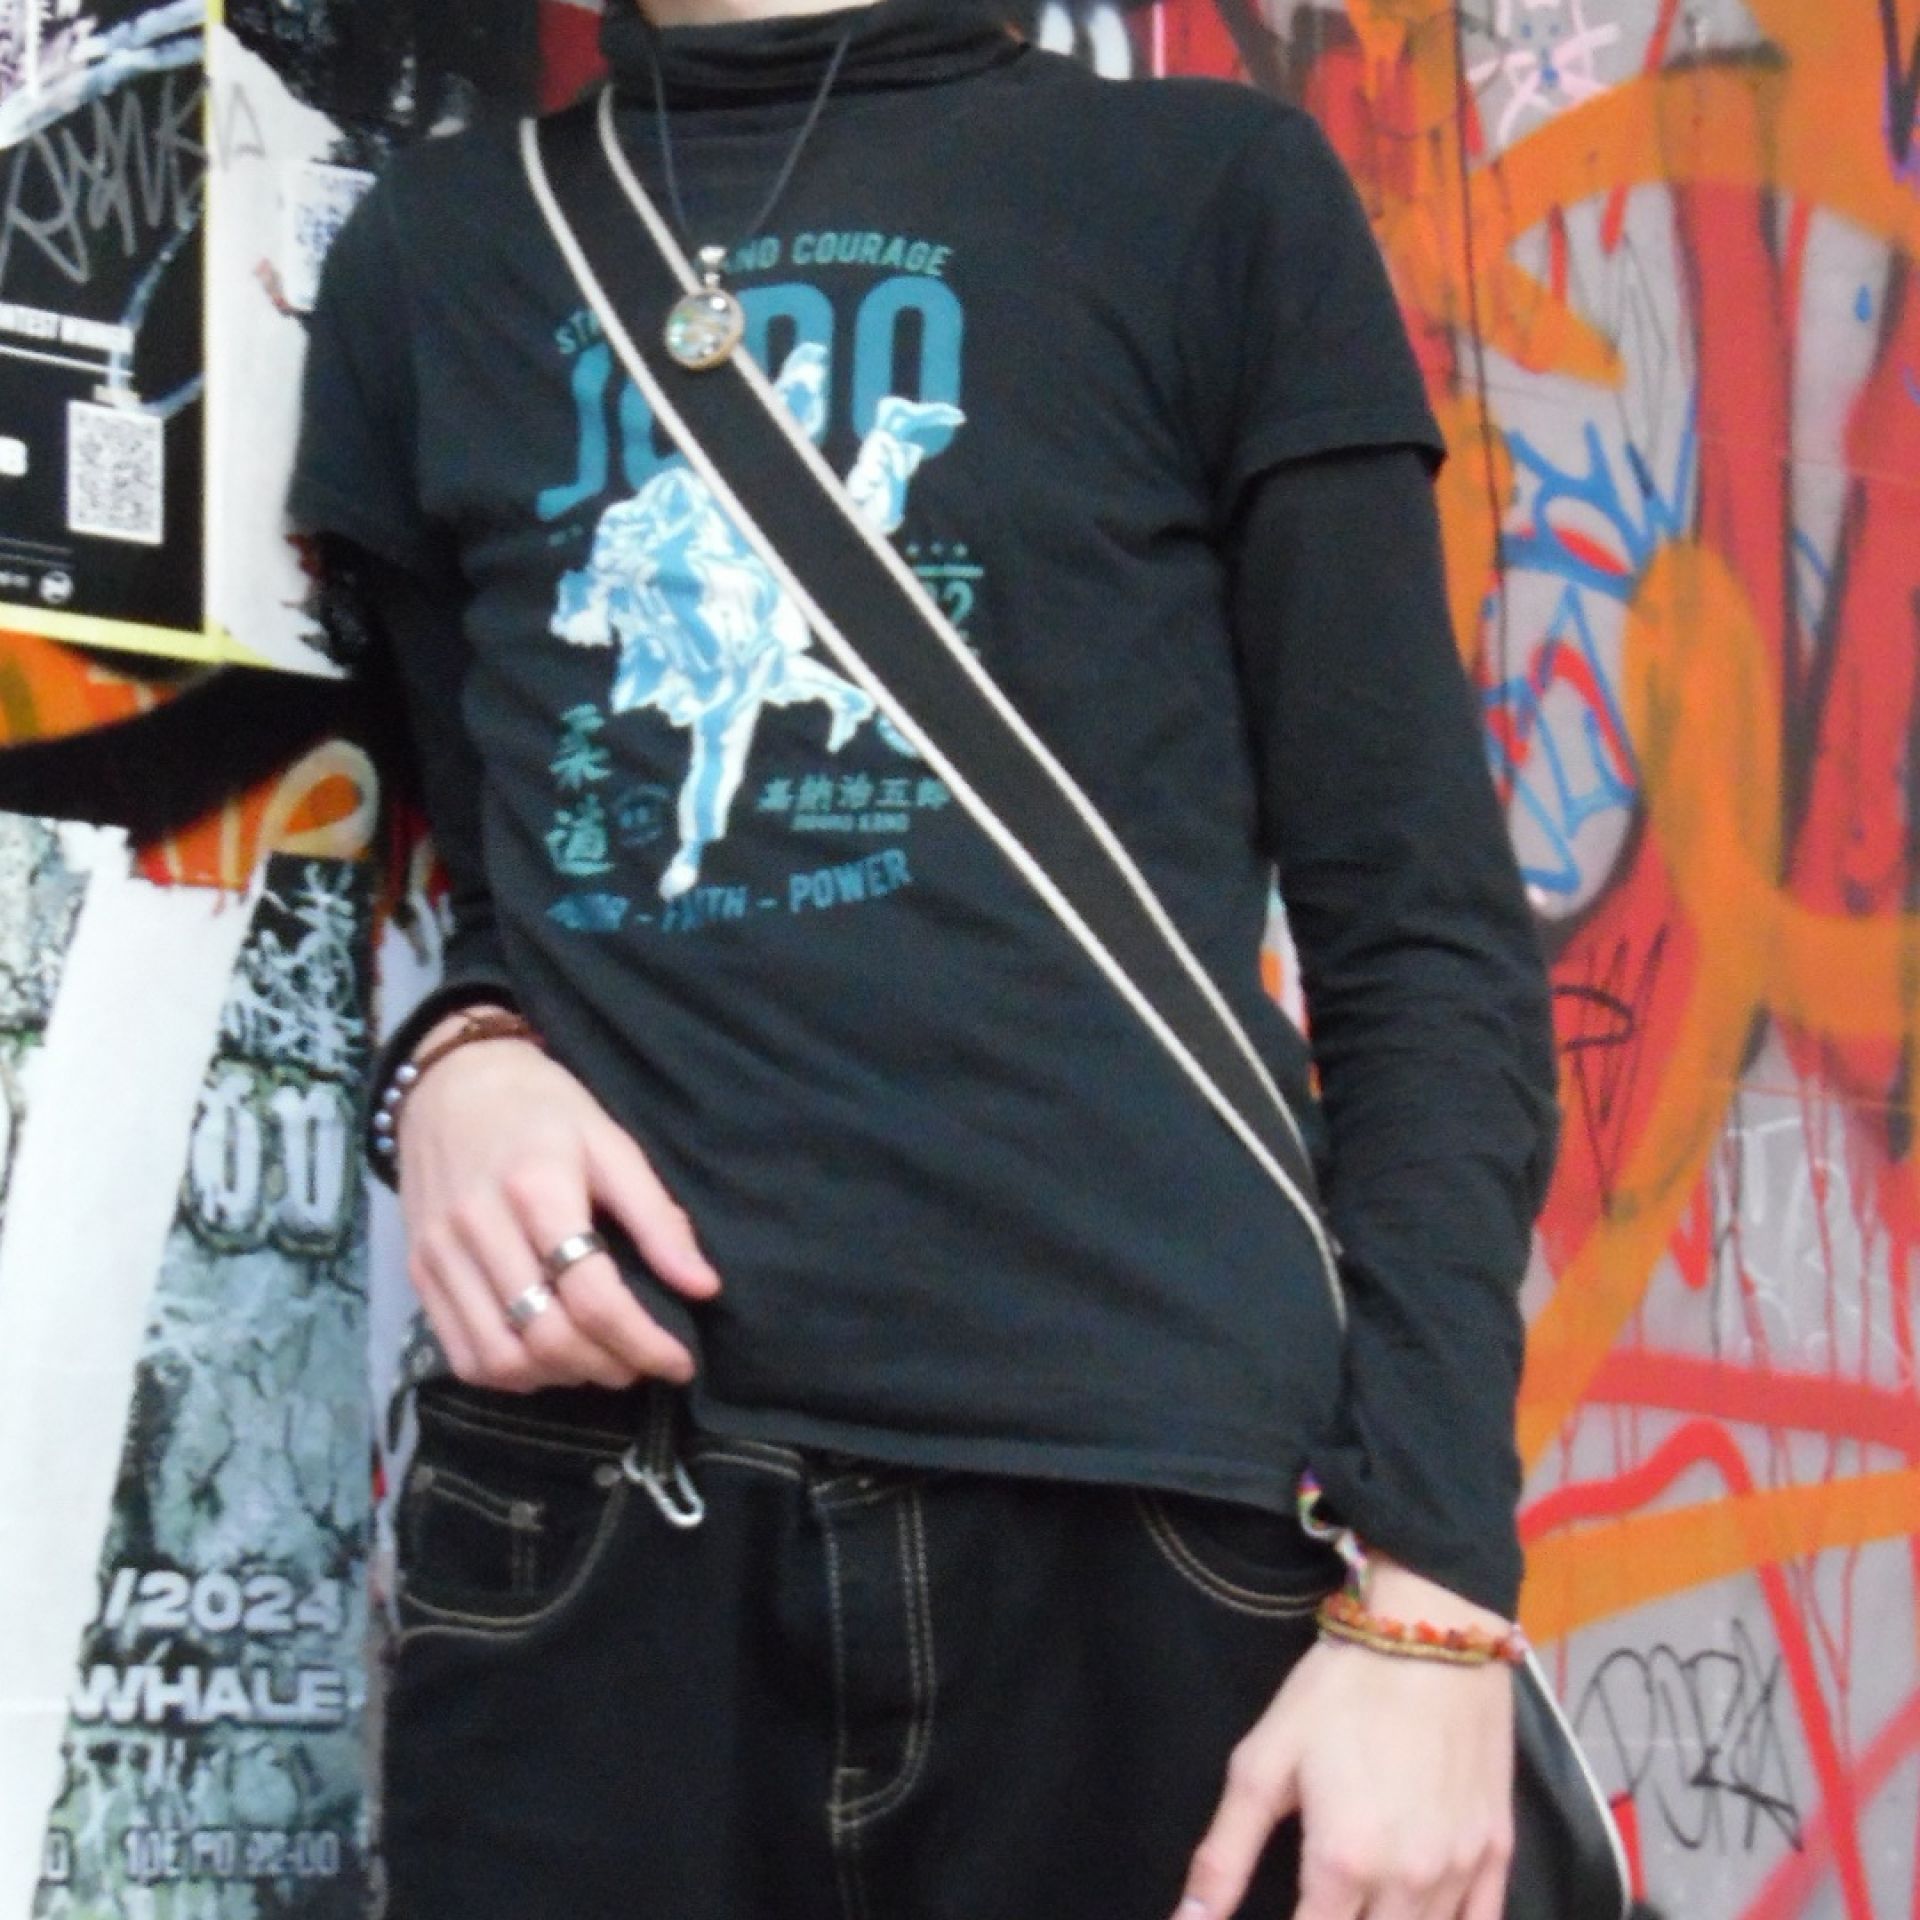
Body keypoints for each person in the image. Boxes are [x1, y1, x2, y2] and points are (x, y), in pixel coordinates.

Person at [289, 2, 1562, 1916]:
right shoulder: (435, 258)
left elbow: (1420, 935)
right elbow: (506, 884)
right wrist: (454, 1056)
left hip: (1146, 1532)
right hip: (606, 1537)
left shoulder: (1206, 193)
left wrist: (1437, 1598)